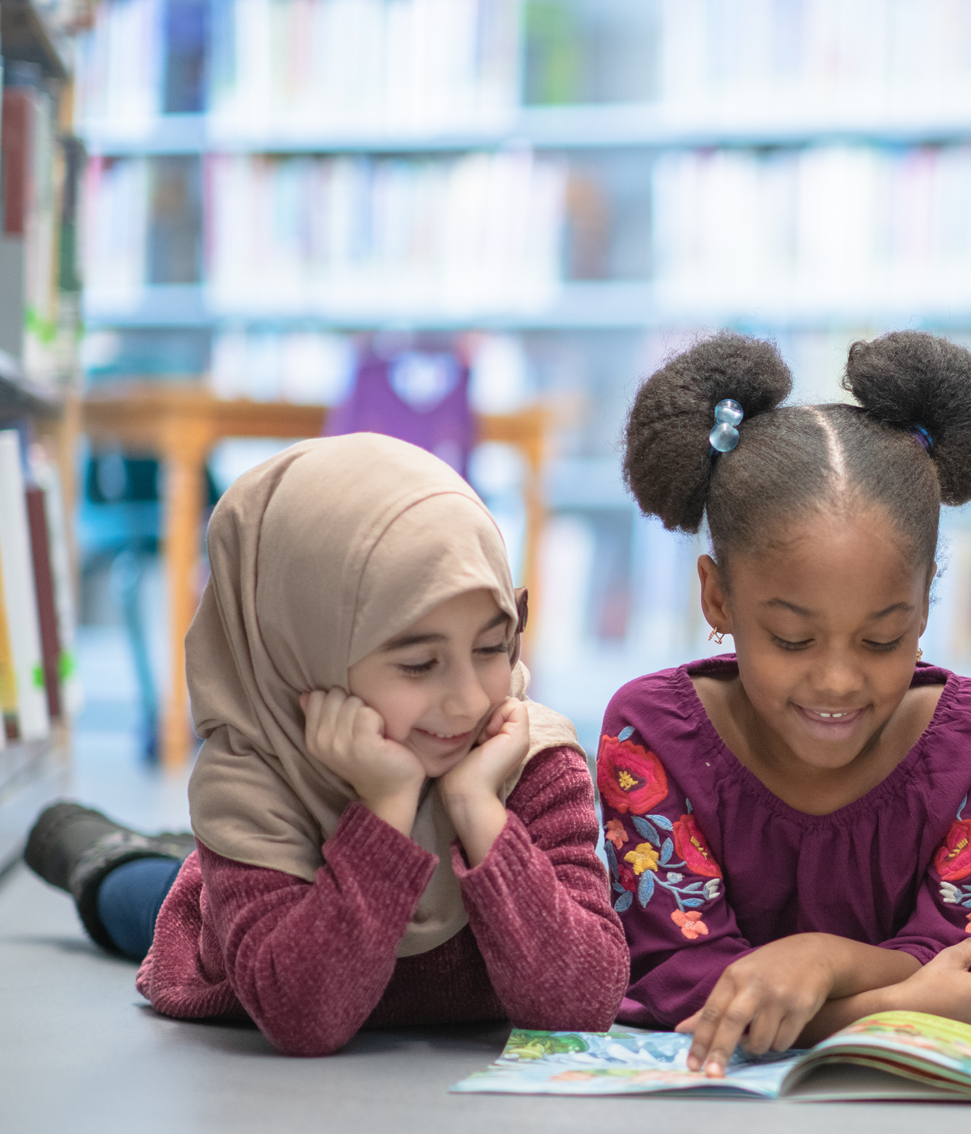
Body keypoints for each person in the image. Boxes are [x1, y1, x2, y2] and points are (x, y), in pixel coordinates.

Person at [25, 433, 629, 1057]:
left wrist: (479, 810)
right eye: (420, 663)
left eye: (491, 647)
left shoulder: (528, 756)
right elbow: (305, 1018)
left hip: (329, 872)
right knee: (145, 895)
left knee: (197, 868)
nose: (468, 702)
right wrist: (388, 807)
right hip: (235, 946)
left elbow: (581, 1006)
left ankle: (184, 856)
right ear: (307, 647)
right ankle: (93, 848)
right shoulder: (253, 780)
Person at [606, 329, 971, 1076]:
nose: (838, 682)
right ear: (717, 598)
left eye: (883, 640)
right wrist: (888, 1006)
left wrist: (814, 961)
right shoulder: (650, 736)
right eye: (790, 639)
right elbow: (684, 989)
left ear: (924, 604)